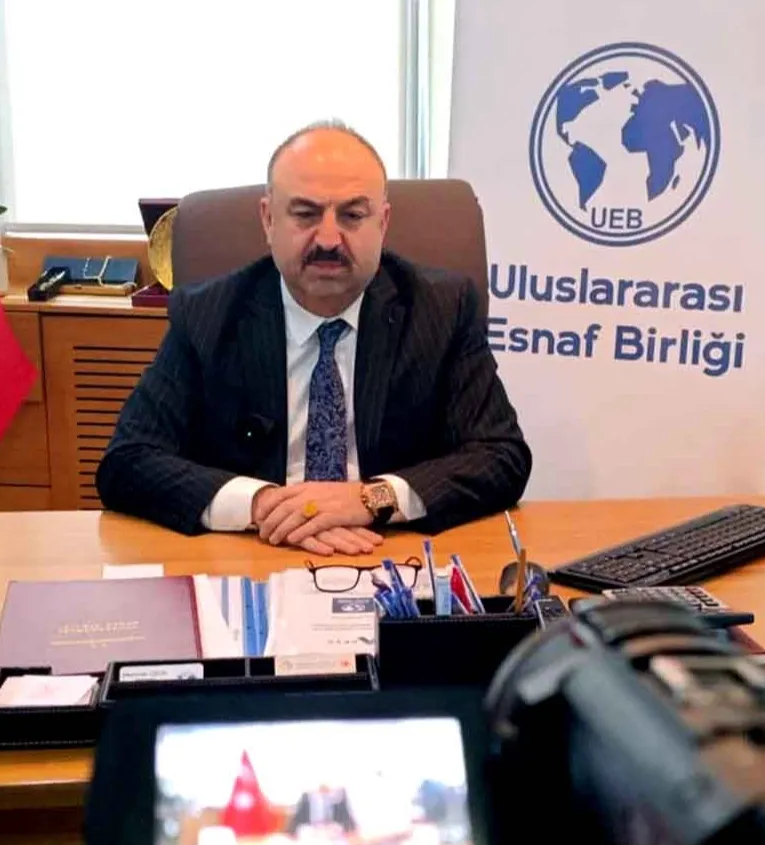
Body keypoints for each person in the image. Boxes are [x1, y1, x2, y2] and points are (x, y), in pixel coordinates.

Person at [96, 120, 531, 556]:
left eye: (352, 215)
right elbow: (128, 461)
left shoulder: (441, 309)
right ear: (268, 219)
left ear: (383, 222)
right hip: (256, 553)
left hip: (392, 553)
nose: (327, 239)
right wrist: (264, 506)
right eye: (305, 214)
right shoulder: (208, 314)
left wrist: (371, 499)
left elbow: (500, 456)